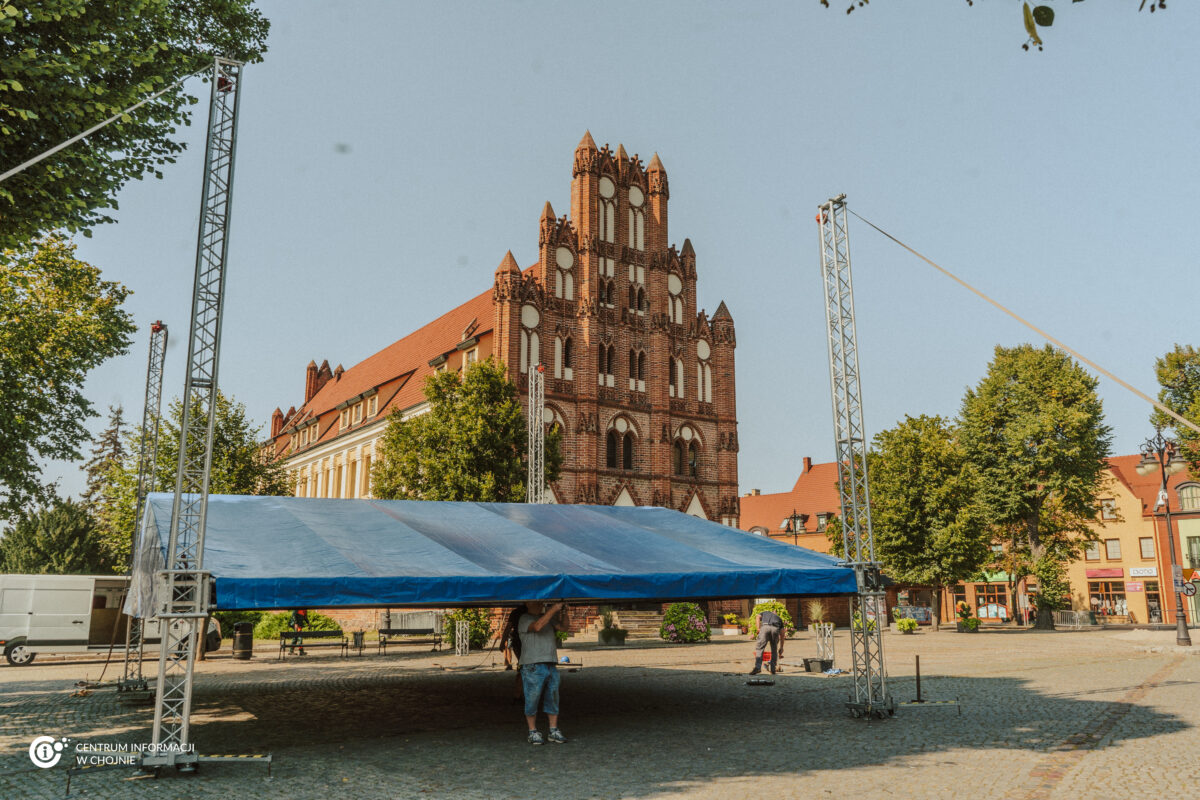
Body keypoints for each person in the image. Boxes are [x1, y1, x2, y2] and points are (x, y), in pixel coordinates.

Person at [518, 600, 568, 745]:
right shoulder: (524, 618)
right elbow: (538, 626)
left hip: (550, 664)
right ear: (527, 603)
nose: (539, 604)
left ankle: (553, 730)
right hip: (532, 665)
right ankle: (532, 731)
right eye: (536, 601)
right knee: (532, 699)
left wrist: (564, 612)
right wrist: (553, 610)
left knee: (553, 698)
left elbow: (564, 628)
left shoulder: (548, 617)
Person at [749, 608, 783, 675]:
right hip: (775, 629)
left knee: (760, 648)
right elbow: (782, 633)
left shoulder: (765, 612)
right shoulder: (779, 618)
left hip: (765, 627)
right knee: (774, 649)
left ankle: (758, 667)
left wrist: (758, 628)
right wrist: (781, 647)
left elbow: (757, 617)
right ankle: (773, 669)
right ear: (775, 612)